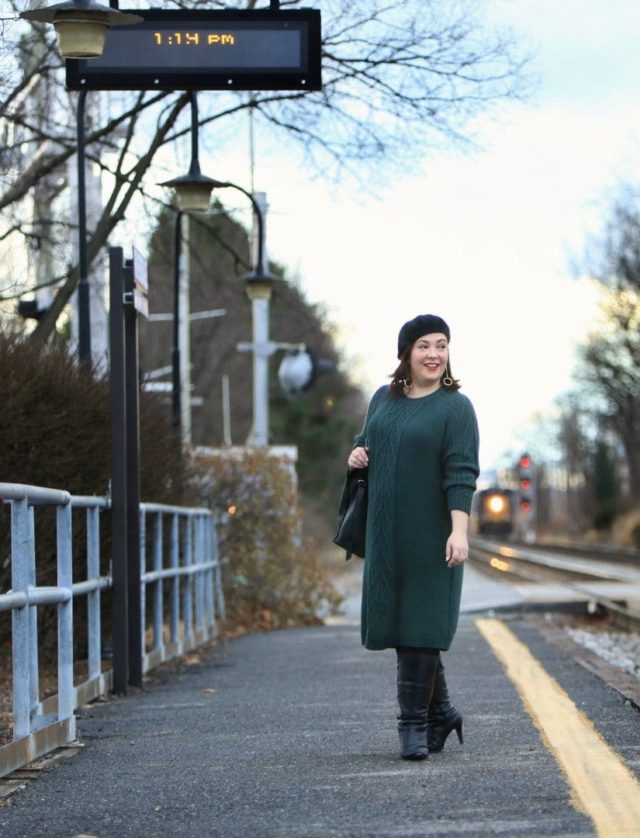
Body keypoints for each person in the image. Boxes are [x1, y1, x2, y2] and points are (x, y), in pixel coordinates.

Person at [347, 314, 479, 760]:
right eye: (424, 345)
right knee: (405, 625)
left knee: (423, 623)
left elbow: (461, 473)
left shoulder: (456, 407)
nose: (434, 354)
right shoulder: (383, 399)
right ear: (406, 352)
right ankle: (442, 711)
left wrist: (459, 531)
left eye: (441, 345)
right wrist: (357, 453)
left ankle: (413, 727)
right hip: (387, 531)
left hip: (432, 534)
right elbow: (367, 445)